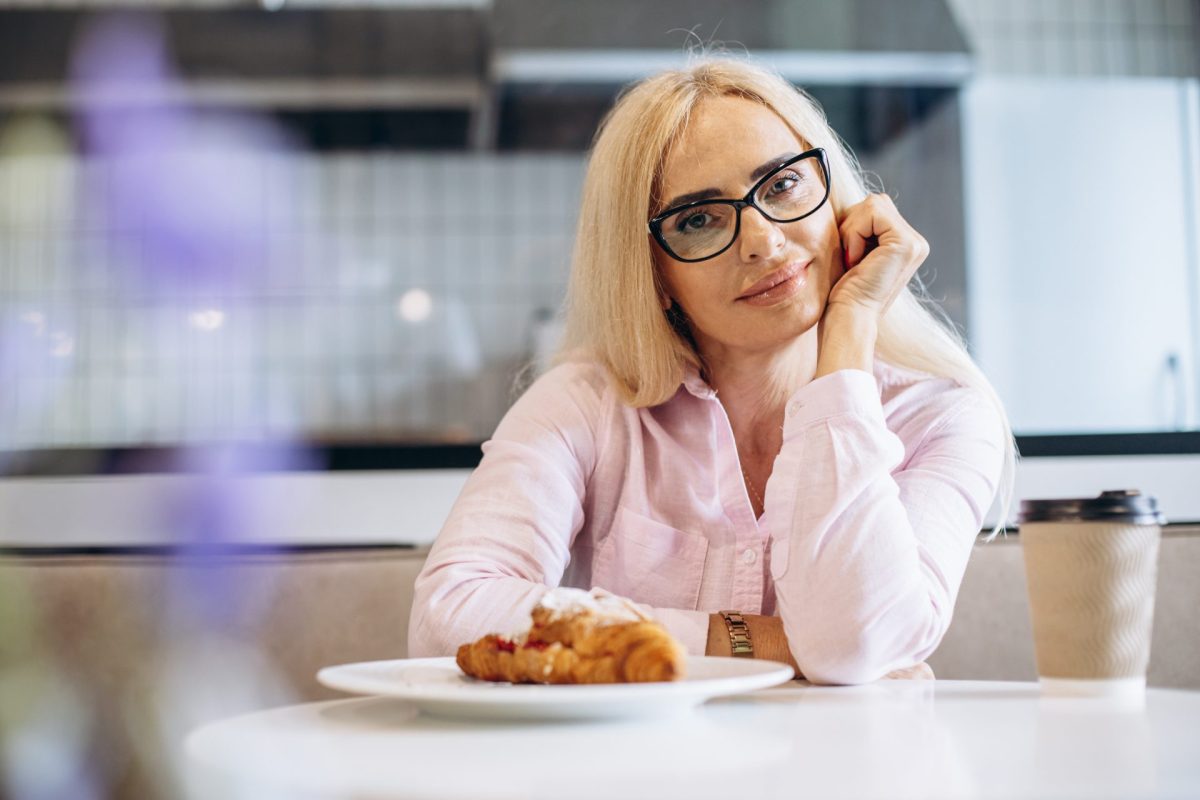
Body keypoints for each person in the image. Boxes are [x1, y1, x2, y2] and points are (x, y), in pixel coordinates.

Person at [408, 57, 1015, 685]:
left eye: (781, 185)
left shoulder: (943, 414)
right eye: (698, 219)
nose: (762, 241)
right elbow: (444, 616)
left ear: (833, 192)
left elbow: (854, 645)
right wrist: (762, 641)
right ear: (654, 276)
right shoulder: (586, 404)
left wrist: (853, 327)